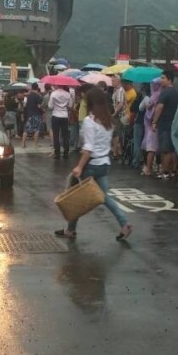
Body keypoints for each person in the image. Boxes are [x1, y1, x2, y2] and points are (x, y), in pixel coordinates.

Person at [54, 86, 132, 241]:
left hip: (91, 165)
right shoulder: (108, 120)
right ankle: (124, 223)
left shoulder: (90, 121)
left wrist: (79, 167)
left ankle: (70, 230)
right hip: (105, 163)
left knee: (76, 198)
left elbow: (88, 148)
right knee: (104, 197)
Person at [151, 69, 178, 179]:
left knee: (166, 149)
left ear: (170, 80)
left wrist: (154, 121)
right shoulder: (176, 93)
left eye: (163, 78)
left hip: (164, 124)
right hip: (173, 123)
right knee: (172, 149)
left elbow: (159, 107)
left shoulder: (165, 92)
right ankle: (172, 170)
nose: (160, 80)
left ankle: (165, 171)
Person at [141, 81, 161, 177]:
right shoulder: (159, 95)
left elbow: (145, 108)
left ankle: (149, 168)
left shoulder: (152, 96)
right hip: (155, 124)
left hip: (149, 124)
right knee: (153, 148)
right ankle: (151, 168)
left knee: (150, 148)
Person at [49, 85, 74, 159]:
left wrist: (56, 106)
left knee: (56, 135)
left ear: (57, 85)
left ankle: (57, 154)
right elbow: (70, 105)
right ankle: (66, 153)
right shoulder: (68, 94)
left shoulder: (53, 94)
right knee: (65, 135)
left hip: (55, 115)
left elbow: (50, 106)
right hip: (64, 116)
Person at [23, 83, 43, 148]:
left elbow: (25, 104)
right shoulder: (38, 96)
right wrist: (43, 110)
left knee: (26, 129)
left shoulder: (29, 96)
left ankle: (23, 144)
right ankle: (35, 145)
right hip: (36, 114)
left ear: (32, 87)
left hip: (29, 114)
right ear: (37, 88)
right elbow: (39, 106)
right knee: (36, 130)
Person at [111, 76, 125, 159]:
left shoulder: (120, 90)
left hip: (118, 116)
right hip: (117, 115)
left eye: (113, 81)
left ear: (118, 81)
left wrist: (114, 113)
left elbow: (120, 104)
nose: (112, 82)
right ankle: (118, 151)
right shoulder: (116, 90)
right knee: (116, 133)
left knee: (115, 134)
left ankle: (115, 152)